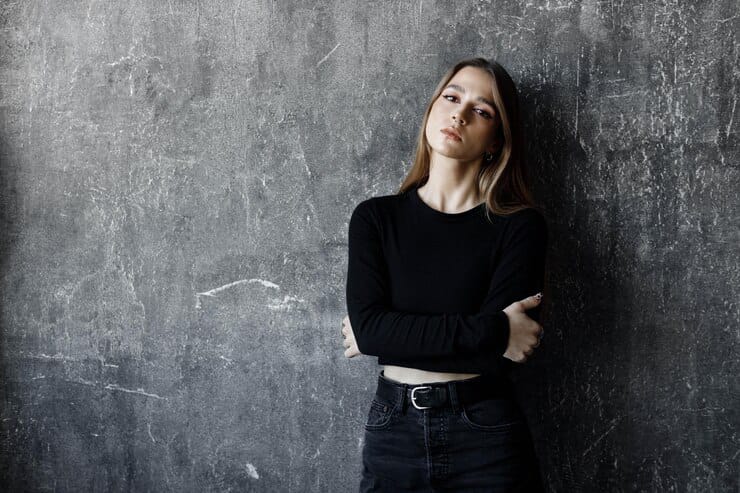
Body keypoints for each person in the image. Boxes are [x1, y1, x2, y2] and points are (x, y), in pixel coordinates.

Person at [342, 57, 549, 492]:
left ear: (495, 139)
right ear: (432, 110)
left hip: (485, 433)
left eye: (482, 110)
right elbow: (371, 329)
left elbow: (500, 353)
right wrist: (494, 330)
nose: (460, 113)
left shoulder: (519, 226)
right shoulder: (375, 219)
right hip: (393, 430)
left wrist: (387, 336)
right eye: (452, 97)